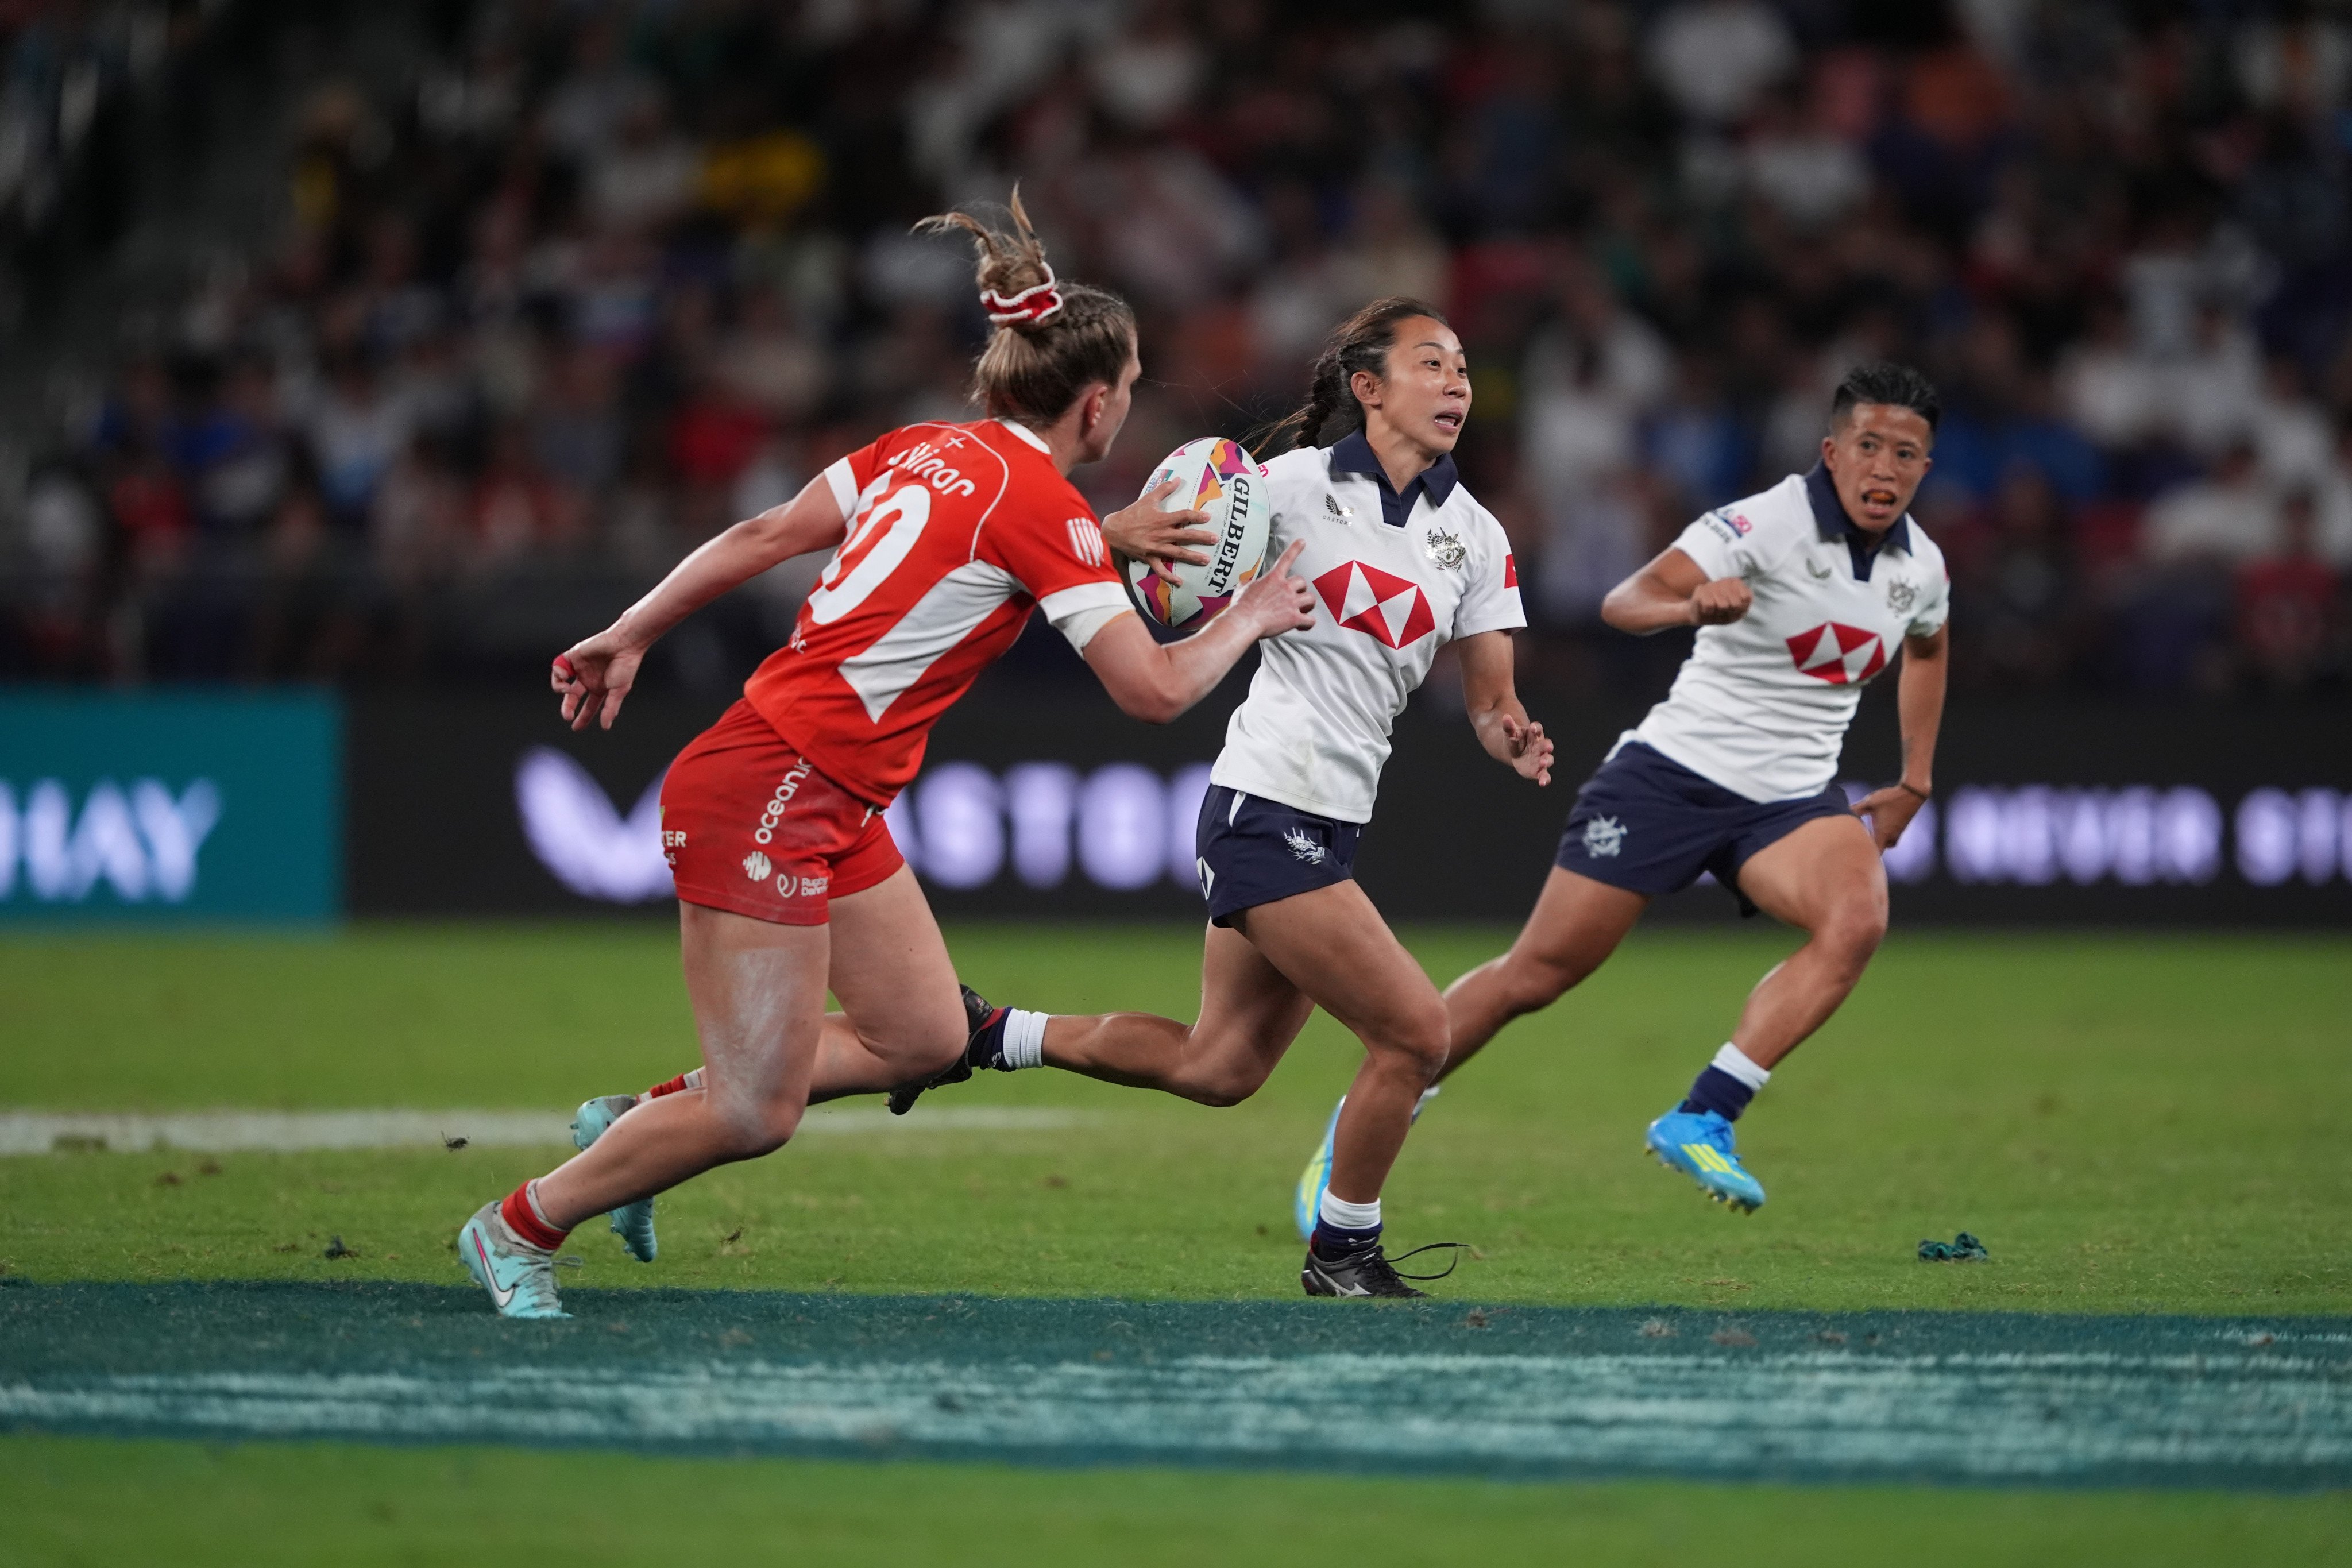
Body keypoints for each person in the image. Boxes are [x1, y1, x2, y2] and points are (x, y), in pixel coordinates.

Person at [456, 194, 1317, 1319]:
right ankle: (516, 1225)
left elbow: (769, 536)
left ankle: (638, 1120)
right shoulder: (1043, 514)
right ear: (1097, 401)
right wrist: (1249, 613)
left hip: (820, 792)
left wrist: (633, 627)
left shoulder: (930, 452)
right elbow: (1153, 693)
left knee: (922, 1036)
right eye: (1135, 384)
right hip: (771, 789)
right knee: (753, 1114)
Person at [895, 298, 1555, 1299]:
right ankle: (1344, 1252)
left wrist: (1510, 734)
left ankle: (990, 1031)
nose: (1458, 382)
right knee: (1419, 1034)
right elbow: (1124, 543)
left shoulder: (1475, 534)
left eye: (1463, 366)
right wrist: (1112, 533)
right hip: (1264, 805)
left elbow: (1490, 698)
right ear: (1368, 389)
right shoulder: (1277, 489)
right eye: (1433, 364)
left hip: (1331, 823)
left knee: (1221, 1067)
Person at [1293, 361, 1951, 1231]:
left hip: (1789, 800)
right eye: (1869, 445)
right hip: (1670, 779)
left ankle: (1705, 1113)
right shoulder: (1766, 522)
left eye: (1906, 453)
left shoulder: (1922, 566)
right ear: (1832, 452)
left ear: (1924, 467)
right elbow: (1625, 599)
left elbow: (1930, 648)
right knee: (1537, 974)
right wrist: (1692, 609)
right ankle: (1363, 1119)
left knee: (1860, 914)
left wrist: (1915, 779)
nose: (1886, 468)